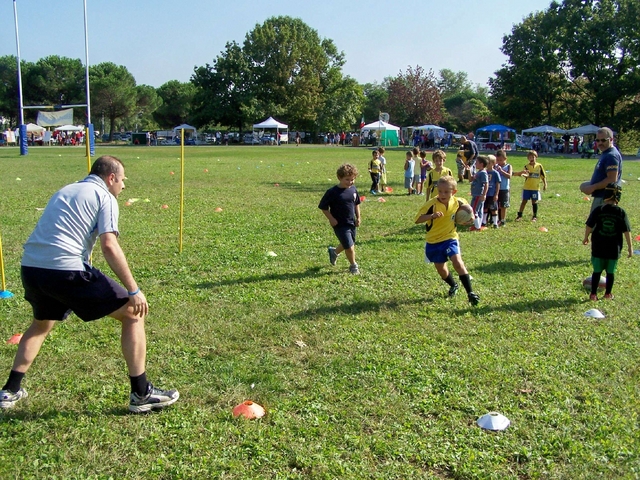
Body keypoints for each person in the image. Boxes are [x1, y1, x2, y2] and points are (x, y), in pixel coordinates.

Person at [0, 156, 179, 413]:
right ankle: (141, 394)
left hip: (31, 268)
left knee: (41, 324)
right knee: (133, 313)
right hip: (65, 269)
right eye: (123, 180)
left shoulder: (66, 190)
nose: (124, 187)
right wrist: (134, 290)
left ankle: (10, 391)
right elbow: (109, 245)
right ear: (111, 178)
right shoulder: (105, 197)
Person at [415, 176, 480, 306]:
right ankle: (453, 285)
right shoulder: (432, 204)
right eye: (440, 191)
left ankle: (470, 293)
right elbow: (417, 219)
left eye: (446, 192)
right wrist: (431, 216)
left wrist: (471, 218)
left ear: (453, 192)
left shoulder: (459, 202)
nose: (442, 194)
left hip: (450, 238)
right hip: (433, 241)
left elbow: (469, 211)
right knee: (441, 270)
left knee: (457, 262)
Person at [583, 183, 632, 301]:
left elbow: (589, 226)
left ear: (606, 195)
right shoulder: (621, 212)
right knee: (610, 273)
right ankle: (607, 294)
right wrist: (630, 247)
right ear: (618, 197)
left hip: (598, 248)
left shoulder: (598, 210)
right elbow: (627, 231)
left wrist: (586, 237)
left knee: (597, 272)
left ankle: (593, 294)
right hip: (613, 249)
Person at [319, 163, 362, 275]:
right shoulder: (332, 192)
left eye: (352, 179)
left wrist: (358, 217)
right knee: (350, 247)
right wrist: (331, 219)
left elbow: (356, 203)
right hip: (339, 224)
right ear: (339, 178)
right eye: (347, 179)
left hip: (351, 222)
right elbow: (323, 207)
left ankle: (334, 252)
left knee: (349, 242)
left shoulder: (353, 190)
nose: (350, 182)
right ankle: (353, 266)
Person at [579, 127, 623, 213]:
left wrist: (592, 187)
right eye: (597, 140)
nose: (600, 143)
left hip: (606, 199)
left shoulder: (611, 156)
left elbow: (612, 179)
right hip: (600, 197)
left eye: (603, 140)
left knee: (595, 225)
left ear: (611, 139)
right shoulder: (606, 153)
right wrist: (587, 185)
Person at [513, 150, 547, 222]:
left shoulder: (539, 166)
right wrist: (524, 174)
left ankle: (534, 216)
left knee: (534, 202)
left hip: (535, 188)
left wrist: (545, 184)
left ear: (536, 157)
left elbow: (543, 176)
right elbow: (526, 175)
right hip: (527, 187)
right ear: (528, 158)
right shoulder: (526, 166)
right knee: (524, 201)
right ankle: (519, 215)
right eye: (530, 157)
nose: (532, 158)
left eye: (533, 157)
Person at [469, 156, 489, 231]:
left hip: (479, 195)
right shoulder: (479, 172)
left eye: (476, 162)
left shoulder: (483, 173)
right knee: (479, 210)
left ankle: (477, 227)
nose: (475, 164)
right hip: (476, 194)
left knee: (474, 210)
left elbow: (486, 184)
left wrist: (483, 194)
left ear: (481, 164)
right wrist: (468, 171)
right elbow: (471, 179)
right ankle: (478, 224)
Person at [494, 149, 512, 226]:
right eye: (497, 160)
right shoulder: (495, 167)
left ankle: (503, 220)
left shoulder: (508, 166)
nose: (499, 162)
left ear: (505, 159)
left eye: (501, 160)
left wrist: (502, 171)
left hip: (504, 189)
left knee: (503, 206)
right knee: (497, 205)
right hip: (496, 189)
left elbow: (509, 176)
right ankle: (497, 219)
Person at [483, 155, 502, 228]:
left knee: (493, 208)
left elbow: (498, 184)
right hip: (485, 194)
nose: (487, 165)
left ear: (493, 163)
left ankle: (495, 223)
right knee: (485, 208)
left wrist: (496, 194)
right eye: (486, 163)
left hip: (492, 194)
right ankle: (484, 222)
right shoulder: (484, 172)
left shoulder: (495, 173)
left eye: (489, 163)